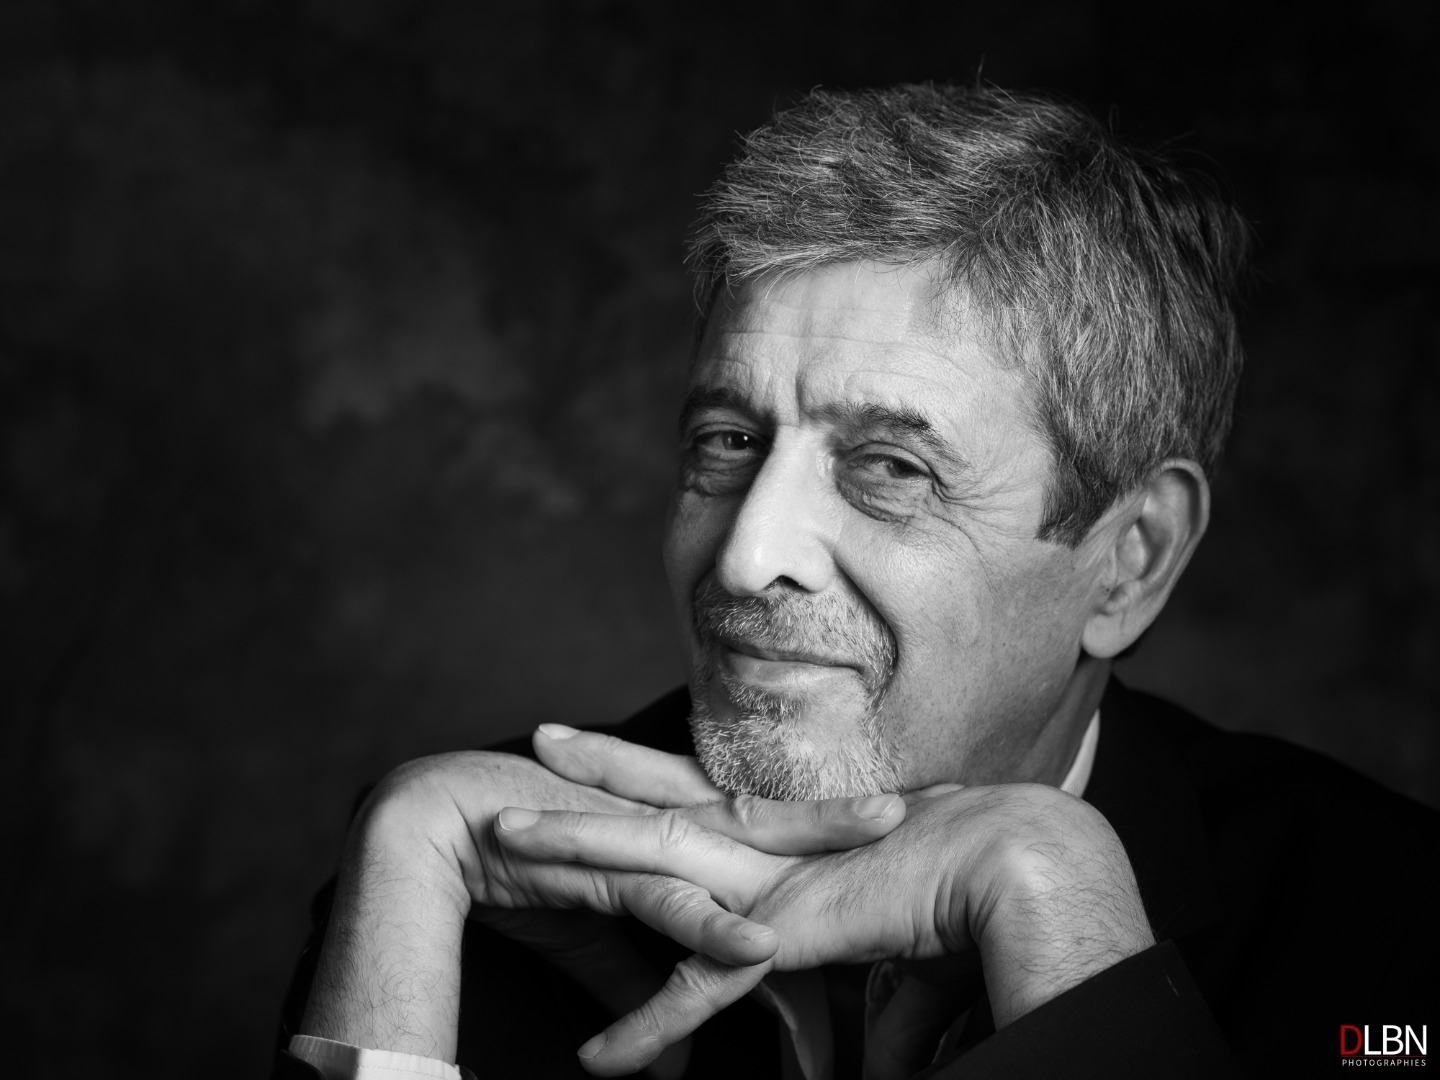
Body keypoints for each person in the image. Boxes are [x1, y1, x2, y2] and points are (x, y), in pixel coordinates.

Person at [274, 84, 1438, 1080]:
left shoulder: (1392, 934)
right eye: (728, 442)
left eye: (890, 468)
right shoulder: (455, 885)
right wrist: (402, 869)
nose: (746, 556)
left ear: (1130, 559)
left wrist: (1069, 937)